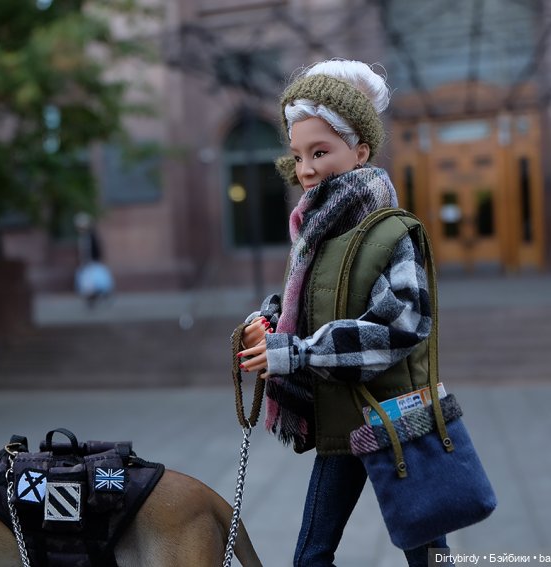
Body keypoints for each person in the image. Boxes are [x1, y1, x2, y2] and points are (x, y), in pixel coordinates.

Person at [236, 59, 453, 566]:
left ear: (360, 150)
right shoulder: (316, 234)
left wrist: (295, 351)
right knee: (311, 557)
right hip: (341, 421)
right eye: (298, 155)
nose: (306, 168)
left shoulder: (391, 231)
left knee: (427, 555)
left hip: (398, 418)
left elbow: (401, 326)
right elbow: (314, 305)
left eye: (320, 152)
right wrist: (269, 322)